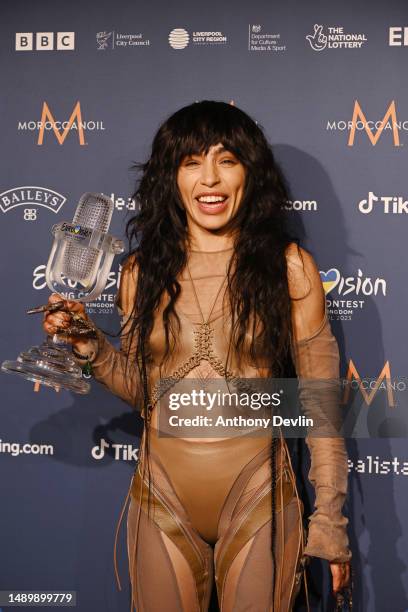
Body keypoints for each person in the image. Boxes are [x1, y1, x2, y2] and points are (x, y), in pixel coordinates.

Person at [43, 100, 351, 611]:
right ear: (172, 176)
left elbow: (321, 406)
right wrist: (90, 348)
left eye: (227, 160)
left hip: (261, 505)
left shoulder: (289, 268)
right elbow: (146, 392)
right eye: (192, 162)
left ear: (250, 174)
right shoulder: (141, 272)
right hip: (161, 502)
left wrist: (330, 524)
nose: (210, 179)